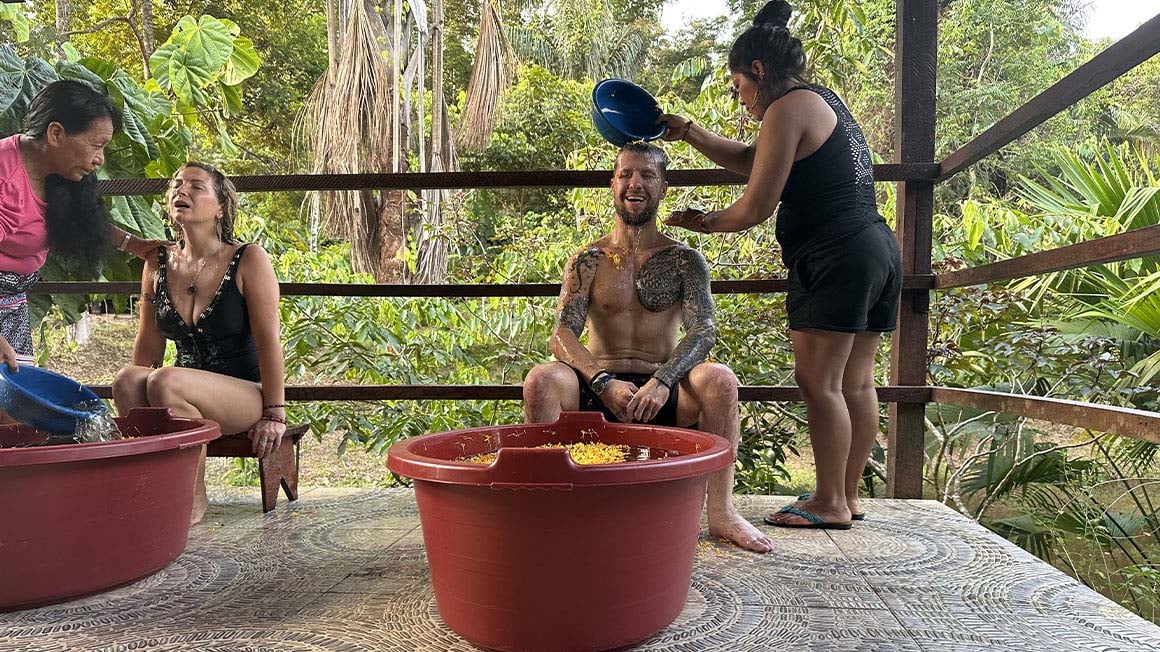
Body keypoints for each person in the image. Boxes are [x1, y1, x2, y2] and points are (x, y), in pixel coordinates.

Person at [659, 0, 902, 529]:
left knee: (819, 382)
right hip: (875, 249)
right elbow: (752, 158)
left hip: (835, 255)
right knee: (857, 382)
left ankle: (830, 501)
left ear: (759, 71)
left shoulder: (787, 109)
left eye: (738, 86)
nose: (738, 98)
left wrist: (702, 222)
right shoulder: (816, 102)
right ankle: (849, 497)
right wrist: (689, 132)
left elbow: (755, 205)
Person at [522, 141, 774, 553]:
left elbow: (703, 330)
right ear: (612, 184)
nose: (635, 183)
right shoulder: (589, 260)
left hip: (664, 387)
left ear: (663, 188)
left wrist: (662, 380)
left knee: (722, 381)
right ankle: (549, 507)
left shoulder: (683, 259)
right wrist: (602, 381)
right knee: (540, 380)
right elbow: (562, 335)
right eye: (626, 174)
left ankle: (722, 512)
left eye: (647, 175)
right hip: (596, 384)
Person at [112, 163, 286, 525]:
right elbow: (147, 347)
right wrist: (134, 390)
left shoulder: (248, 258)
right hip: (181, 391)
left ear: (221, 206)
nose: (182, 191)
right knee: (128, 380)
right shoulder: (157, 263)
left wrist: (274, 414)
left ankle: (192, 499)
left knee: (164, 380)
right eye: (176, 185)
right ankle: (151, 491)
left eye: (196, 187)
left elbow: (270, 342)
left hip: (244, 394)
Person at [0, 80, 162, 372]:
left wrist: (135, 245)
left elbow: (87, 219)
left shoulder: (56, 169)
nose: (100, 159)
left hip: (11, 302)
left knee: (15, 402)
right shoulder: (5, 180)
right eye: (97, 146)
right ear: (56, 134)